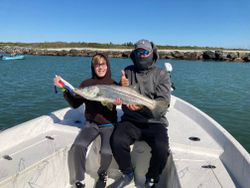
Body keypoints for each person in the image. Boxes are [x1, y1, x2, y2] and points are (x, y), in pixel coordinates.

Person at [109, 39, 171, 188]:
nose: (142, 55)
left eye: (145, 52)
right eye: (138, 52)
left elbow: (162, 104)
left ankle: (151, 178)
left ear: (152, 53)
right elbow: (122, 98)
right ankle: (127, 173)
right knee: (116, 140)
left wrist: (142, 108)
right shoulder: (128, 71)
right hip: (131, 120)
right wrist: (121, 88)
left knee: (162, 149)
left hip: (154, 122)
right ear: (134, 54)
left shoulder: (161, 74)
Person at [54, 53, 118, 188]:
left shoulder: (114, 84)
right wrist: (64, 90)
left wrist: (118, 102)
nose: (100, 68)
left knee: (106, 152)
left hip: (109, 124)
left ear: (107, 65)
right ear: (93, 67)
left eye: (103, 64)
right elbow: (75, 104)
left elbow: (123, 103)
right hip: (91, 124)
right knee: (79, 145)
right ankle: (80, 179)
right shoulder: (86, 84)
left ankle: (102, 173)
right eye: (97, 65)